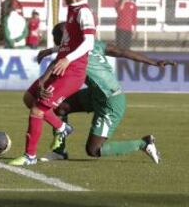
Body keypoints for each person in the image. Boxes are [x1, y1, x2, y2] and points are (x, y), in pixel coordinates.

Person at [36, 23, 176, 164]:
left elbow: (57, 63)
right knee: (60, 107)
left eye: (57, 37)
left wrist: (42, 81)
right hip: (95, 94)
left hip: (111, 101)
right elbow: (120, 51)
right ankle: (59, 151)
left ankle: (143, 143)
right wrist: (153, 62)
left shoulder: (73, 53)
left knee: (93, 150)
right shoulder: (91, 44)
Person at [8, 0, 96, 166]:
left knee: (38, 109)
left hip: (72, 72)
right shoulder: (72, 12)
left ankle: (29, 156)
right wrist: (52, 51)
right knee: (29, 98)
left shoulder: (84, 12)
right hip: (61, 66)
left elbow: (89, 43)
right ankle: (61, 126)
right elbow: (69, 44)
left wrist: (67, 59)